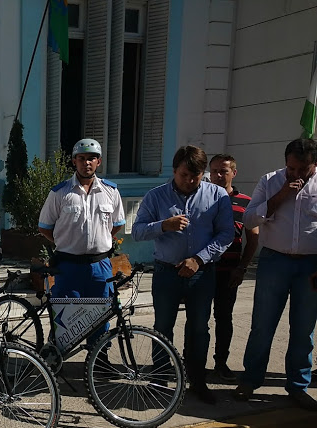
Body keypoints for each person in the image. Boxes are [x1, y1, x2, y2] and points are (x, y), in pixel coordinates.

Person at [131, 145, 234, 404]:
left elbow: (226, 234)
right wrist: (163, 225)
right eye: (184, 175)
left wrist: (199, 259)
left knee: (199, 328)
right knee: (163, 327)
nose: (189, 181)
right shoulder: (156, 196)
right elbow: (138, 231)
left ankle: (196, 380)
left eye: (195, 175)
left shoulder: (217, 195)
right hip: (166, 272)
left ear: (203, 173)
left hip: (201, 273)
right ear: (175, 170)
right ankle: (160, 378)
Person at [233, 138, 317, 410]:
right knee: (263, 324)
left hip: (310, 265)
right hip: (274, 261)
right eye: (290, 167)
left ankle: (297, 386)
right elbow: (248, 219)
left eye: (301, 169)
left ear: (313, 164)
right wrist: (280, 196)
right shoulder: (270, 181)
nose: (294, 174)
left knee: (303, 329)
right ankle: (250, 379)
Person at [38, 138, 125, 343]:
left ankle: (98, 361)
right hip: (69, 266)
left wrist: (101, 238)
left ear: (99, 162)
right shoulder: (60, 192)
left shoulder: (110, 192)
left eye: (92, 158)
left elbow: (117, 224)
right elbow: (44, 226)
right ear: (74, 161)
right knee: (65, 317)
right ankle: (57, 361)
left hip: (99, 266)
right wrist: (64, 241)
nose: (87, 163)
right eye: (82, 158)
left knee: (101, 315)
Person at [207, 154, 258, 383]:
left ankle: (221, 363)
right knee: (197, 321)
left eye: (223, 171)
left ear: (233, 173)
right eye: (214, 170)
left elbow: (253, 239)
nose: (218, 176)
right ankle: (193, 364)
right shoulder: (201, 197)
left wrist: (242, 268)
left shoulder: (246, 202)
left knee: (224, 319)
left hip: (229, 272)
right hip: (202, 271)